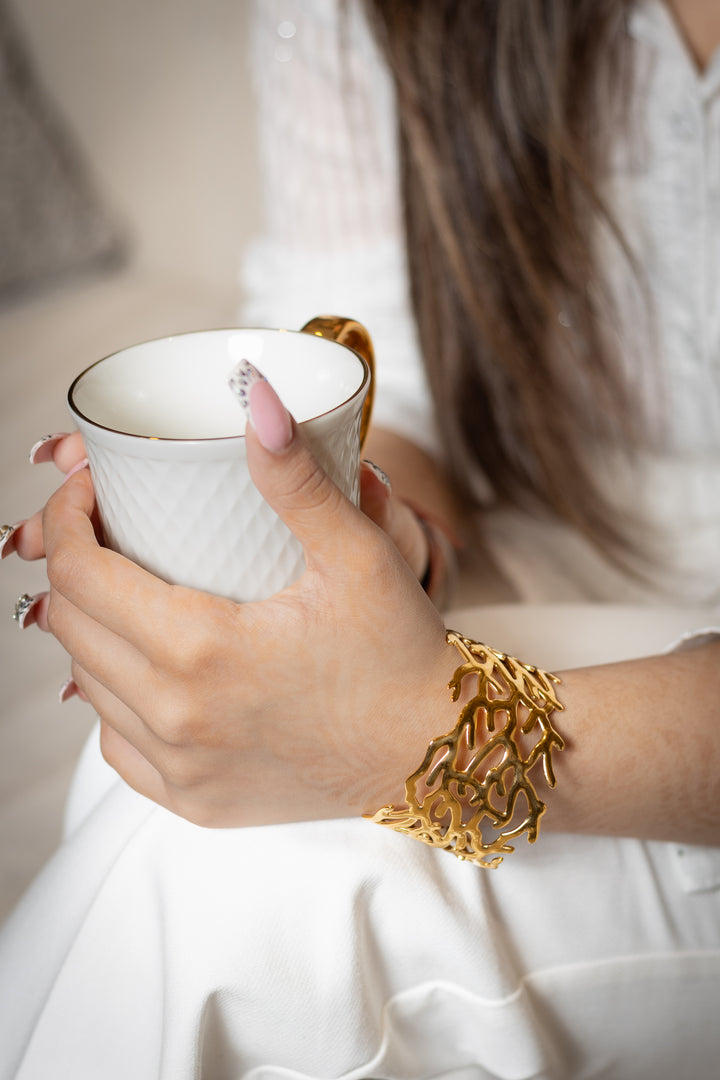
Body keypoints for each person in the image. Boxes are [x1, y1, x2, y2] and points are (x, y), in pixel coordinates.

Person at [1, 0, 719, 1076]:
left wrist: (425, 740)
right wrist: (387, 547)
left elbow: (419, 745)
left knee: (212, 884)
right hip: (559, 557)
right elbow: (391, 361)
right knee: (161, 776)